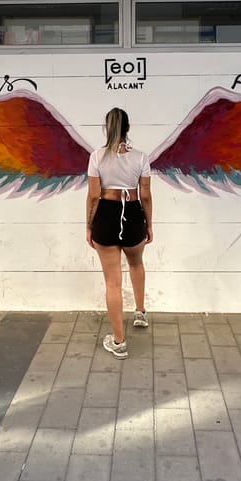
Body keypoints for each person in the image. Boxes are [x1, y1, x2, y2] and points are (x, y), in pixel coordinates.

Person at [86, 107, 153, 358]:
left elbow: (94, 195)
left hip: (105, 214)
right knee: (136, 263)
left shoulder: (97, 157)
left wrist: (89, 225)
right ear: (128, 128)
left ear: (107, 128)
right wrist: (148, 224)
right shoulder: (141, 157)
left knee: (112, 282)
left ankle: (119, 342)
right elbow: (145, 194)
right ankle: (140, 312)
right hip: (133, 213)